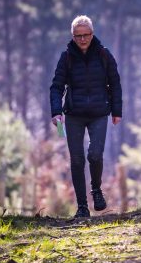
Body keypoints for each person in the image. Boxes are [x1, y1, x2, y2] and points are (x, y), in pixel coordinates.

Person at [50, 15, 122, 219]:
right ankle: (82, 206)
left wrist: (117, 111)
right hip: (74, 114)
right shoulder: (67, 57)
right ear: (72, 36)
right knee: (77, 160)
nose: (82, 39)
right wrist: (56, 111)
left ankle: (96, 190)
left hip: (99, 113)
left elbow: (115, 83)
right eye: (78, 36)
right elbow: (56, 86)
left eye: (86, 35)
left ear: (92, 34)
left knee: (95, 155)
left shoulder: (104, 54)